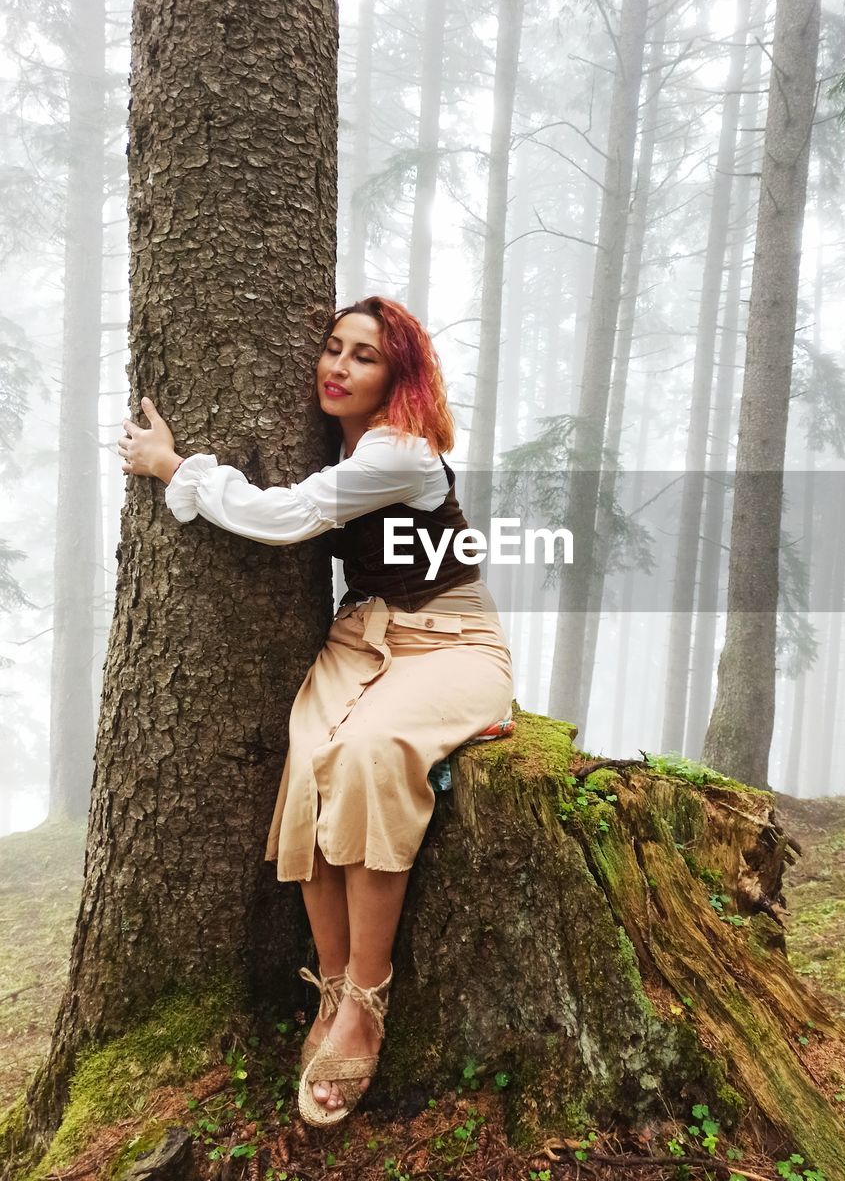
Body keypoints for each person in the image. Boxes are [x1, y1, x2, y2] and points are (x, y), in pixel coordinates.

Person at [116, 296, 514, 1127]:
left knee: (367, 754)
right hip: (360, 637)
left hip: (450, 643)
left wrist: (173, 467)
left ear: (397, 374)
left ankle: (366, 1004)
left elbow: (288, 517)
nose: (337, 367)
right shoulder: (336, 438)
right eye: (332, 348)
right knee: (308, 762)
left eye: (362, 356)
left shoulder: (402, 452)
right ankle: (332, 985)